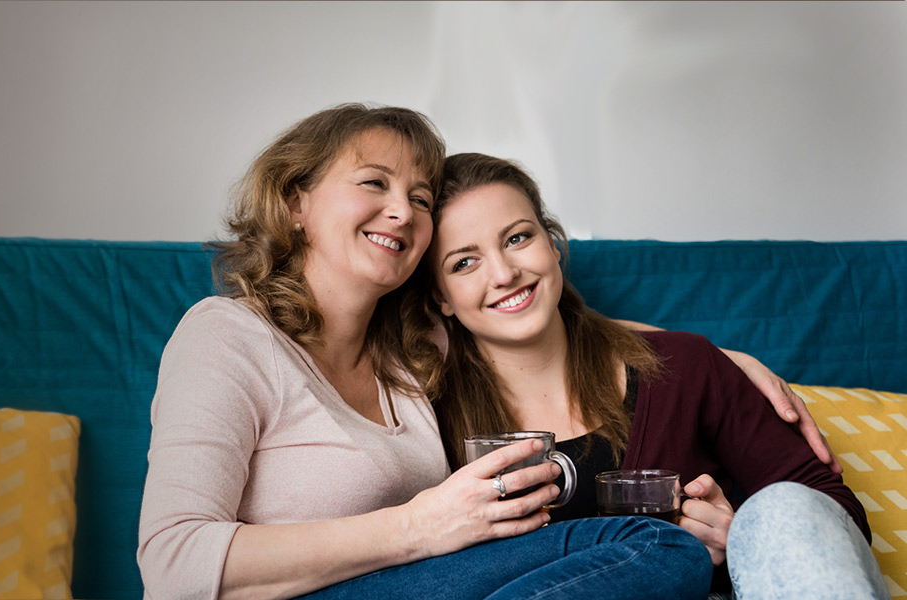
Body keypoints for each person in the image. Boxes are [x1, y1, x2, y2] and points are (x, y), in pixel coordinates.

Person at [138, 104, 714, 600]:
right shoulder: (226, 336)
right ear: (296, 201)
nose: (403, 211)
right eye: (373, 183)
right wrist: (418, 527)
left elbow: (534, 310)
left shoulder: (412, 351)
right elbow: (173, 563)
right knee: (654, 547)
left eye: (419, 198)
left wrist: (717, 360)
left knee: (665, 551)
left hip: (416, 581)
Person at [421, 152, 888, 599]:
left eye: (517, 238)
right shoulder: (422, 416)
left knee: (778, 512)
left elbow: (835, 510)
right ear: (441, 299)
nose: (504, 273)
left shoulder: (685, 366)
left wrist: (741, 538)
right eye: (464, 262)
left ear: (553, 244)